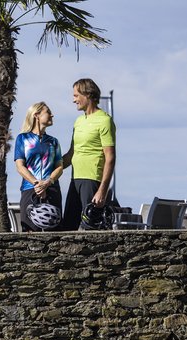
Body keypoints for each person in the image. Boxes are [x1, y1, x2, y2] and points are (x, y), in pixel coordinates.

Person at [60, 78, 116, 231]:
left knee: (92, 228)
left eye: (76, 96)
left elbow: (110, 158)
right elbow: (71, 154)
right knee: (68, 227)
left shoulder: (104, 121)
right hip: (75, 179)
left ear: (88, 95)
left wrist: (102, 190)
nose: (74, 100)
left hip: (92, 180)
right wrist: (50, 170)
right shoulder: (78, 121)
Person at [13, 102, 64, 231]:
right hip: (30, 189)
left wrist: (47, 182)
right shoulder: (22, 138)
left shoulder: (54, 141)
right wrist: (37, 183)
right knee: (29, 233)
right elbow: (20, 166)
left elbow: (59, 167)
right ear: (36, 115)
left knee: (55, 233)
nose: (52, 115)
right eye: (48, 112)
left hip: (52, 189)